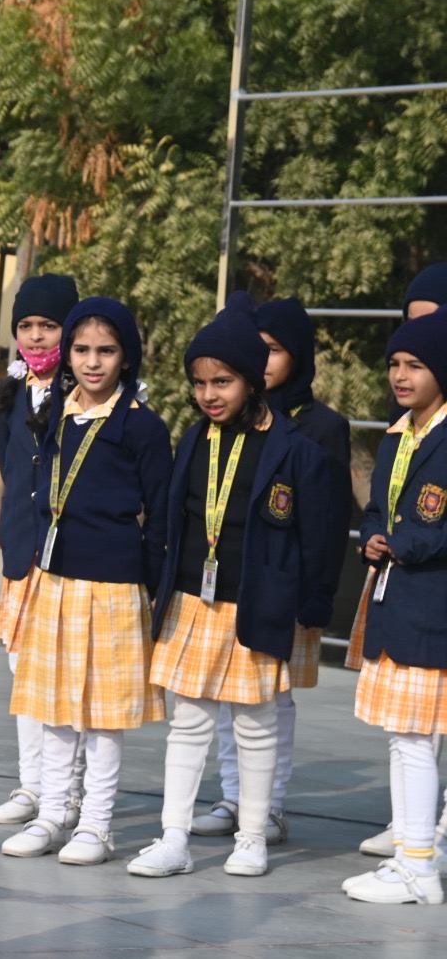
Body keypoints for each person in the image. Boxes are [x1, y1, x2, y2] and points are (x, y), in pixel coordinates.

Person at [128, 293, 336, 880]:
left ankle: (252, 837)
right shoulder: (195, 439)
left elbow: (319, 537)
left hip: (257, 604)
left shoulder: (295, 450)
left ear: (251, 380)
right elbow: (175, 520)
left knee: (256, 722)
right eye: (199, 383)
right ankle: (174, 837)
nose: (209, 394)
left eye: (222, 382)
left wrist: (310, 600)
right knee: (188, 722)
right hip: (193, 602)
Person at [2, 298, 170, 866]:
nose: (93, 362)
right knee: (53, 708)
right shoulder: (57, 412)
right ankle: (52, 814)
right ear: (68, 354)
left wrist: (150, 586)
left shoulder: (143, 426)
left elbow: (161, 516)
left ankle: (96, 825)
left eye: (106, 350)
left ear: (127, 357)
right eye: (82, 350)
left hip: (114, 588)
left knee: (103, 716)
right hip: (54, 582)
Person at [192, 297, 351, 844]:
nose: (262, 360)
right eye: (255, 350)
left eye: (275, 350)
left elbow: (330, 521)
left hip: (289, 588)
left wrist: (320, 591)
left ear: (298, 355)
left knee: (272, 701)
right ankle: (232, 796)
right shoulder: (231, 421)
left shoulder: (322, 427)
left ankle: (270, 806)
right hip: (235, 587)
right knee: (227, 697)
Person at [342, 308, 447, 905]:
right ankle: (409, 855)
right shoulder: (397, 434)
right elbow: (378, 508)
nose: (400, 376)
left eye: (416, 365)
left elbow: (436, 525)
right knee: (401, 737)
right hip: (394, 598)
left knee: (415, 739)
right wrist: (373, 536)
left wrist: (405, 543)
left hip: (429, 605)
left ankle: (420, 868)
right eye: (394, 364)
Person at [0, 273, 82, 828]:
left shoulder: (85, 394)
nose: (37, 336)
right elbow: (11, 468)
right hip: (21, 548)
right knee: (22, 667)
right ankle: (32, 785)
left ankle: (68, 791)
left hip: (67, 552)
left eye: (49, 325)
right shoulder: (7, 394)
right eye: (26, 325)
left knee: (63, 674)